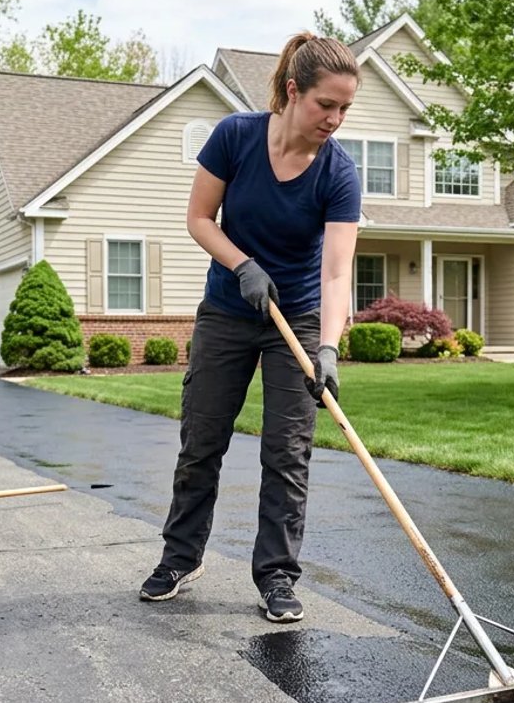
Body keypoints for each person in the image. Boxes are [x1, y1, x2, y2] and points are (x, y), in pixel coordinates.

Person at [138, 33, 362, 622]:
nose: (335, 119)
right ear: (293, 91)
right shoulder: (235, 136)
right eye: (326, 105)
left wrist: (330, 350)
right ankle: (180, 557)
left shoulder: (339, 172)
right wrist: (243, 265)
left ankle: (278, 577)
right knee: (202, 438)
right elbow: (197, 219)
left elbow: (338, 273)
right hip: (230, 311)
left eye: (345, 108)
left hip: (300, 318)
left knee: (288, 452)